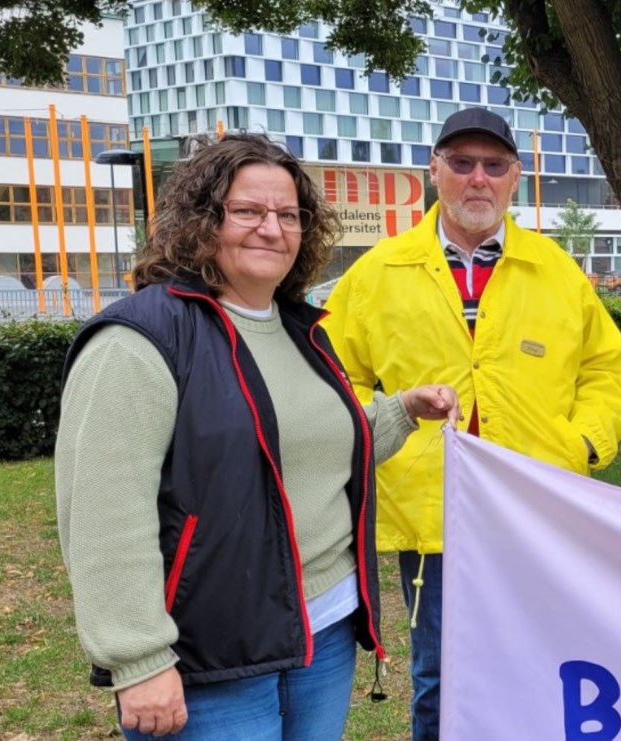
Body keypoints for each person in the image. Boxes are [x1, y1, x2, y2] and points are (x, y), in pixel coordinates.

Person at [55, 133, 460, 740]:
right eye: (247, 211)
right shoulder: (141, 339)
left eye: (289, 215)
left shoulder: (303, 330)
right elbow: (103, 512)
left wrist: (400, 411)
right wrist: (137, 658)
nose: (271, 228)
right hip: (213, 655)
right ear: (201, 219)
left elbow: (307, 454)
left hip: (322, 633)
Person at [322, 107, 621, 740]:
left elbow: (605, 368)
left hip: (540, 508)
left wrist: (583, 443)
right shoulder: (379, 273)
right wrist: (391, 420)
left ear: (514, 176)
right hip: (436, 518)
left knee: (546, 663)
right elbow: (330, 378)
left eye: (493, 166)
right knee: (442, 675)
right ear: (434, 171)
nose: (477, 180)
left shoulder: (555, 270)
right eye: (461, 164)